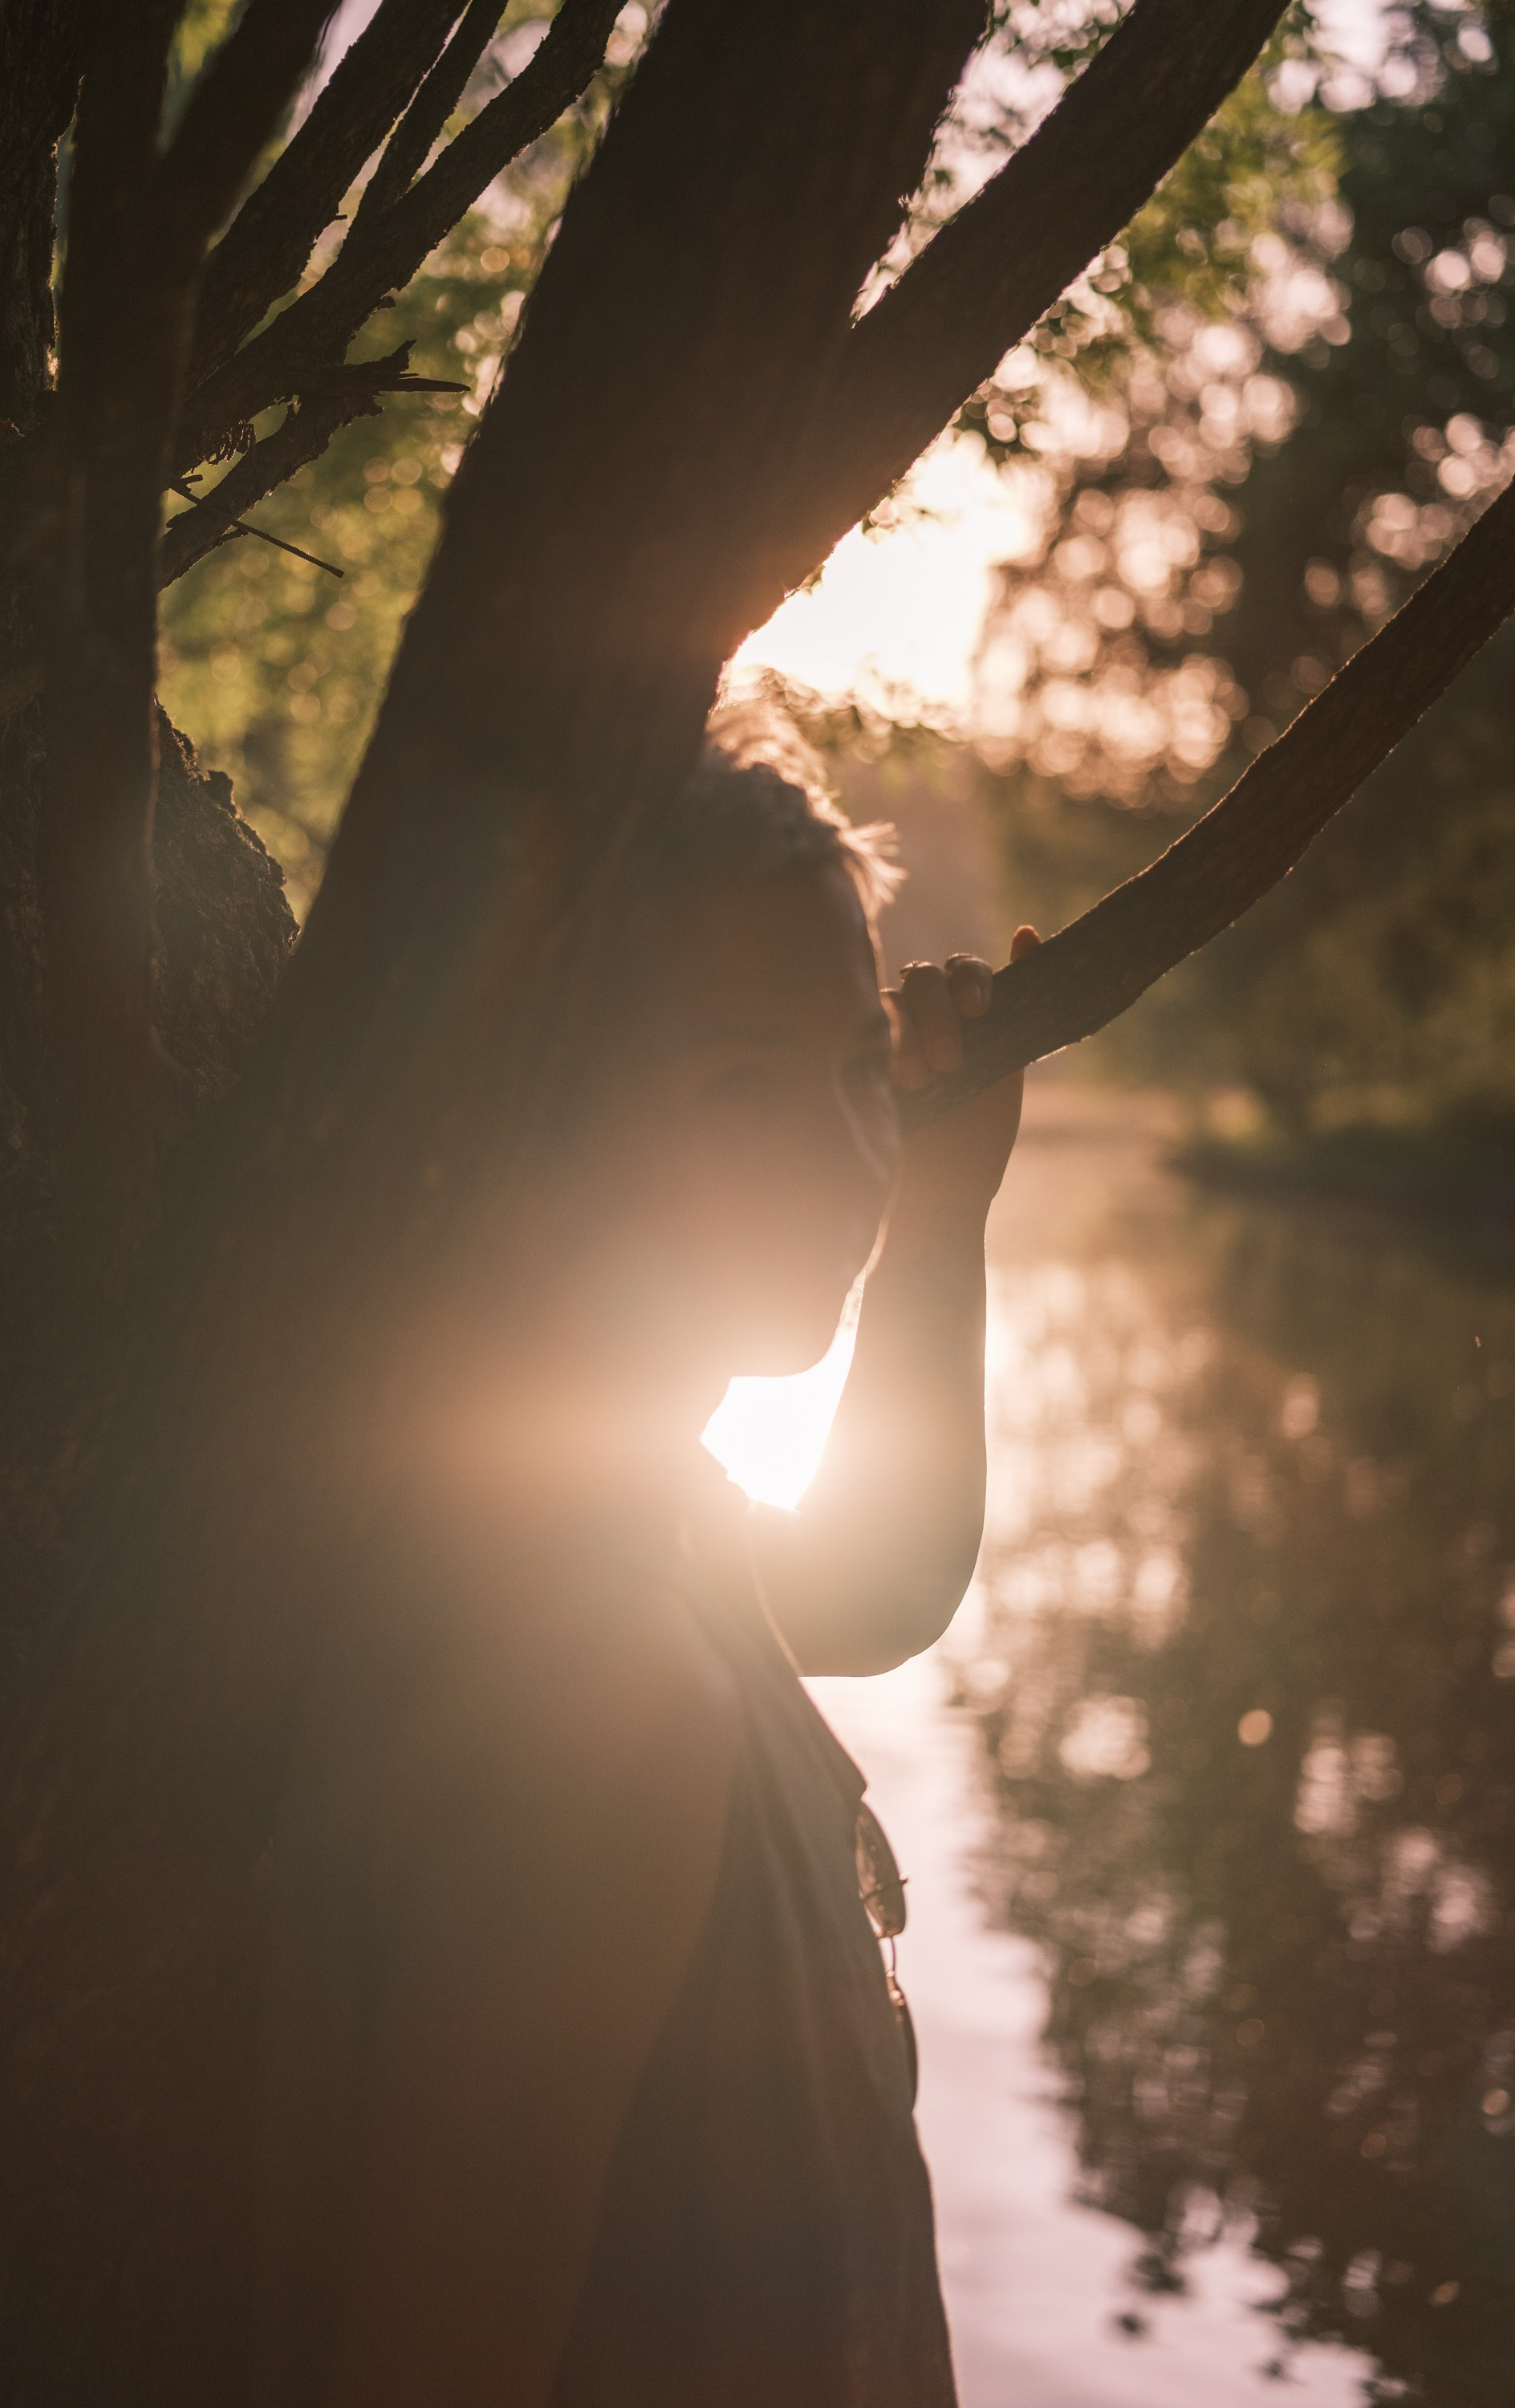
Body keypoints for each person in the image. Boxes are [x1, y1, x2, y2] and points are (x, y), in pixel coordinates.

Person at [255, 729, 1040, 2406]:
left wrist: (940, 1228)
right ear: (534, 1099)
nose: (846, 1159)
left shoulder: (612, 1486)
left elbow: (865, 1590)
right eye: (736, 1084)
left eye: (856, 1068)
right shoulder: (591, 1676)